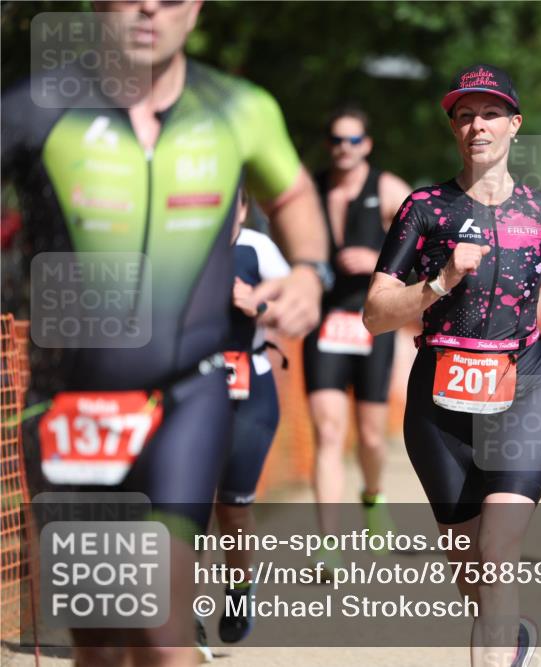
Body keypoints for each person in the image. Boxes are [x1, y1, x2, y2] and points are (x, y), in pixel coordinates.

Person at [1, 2, 330, 664]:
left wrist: (309, 272)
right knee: (97, 639)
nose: (151, 6)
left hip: (188, 395)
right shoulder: (33, 108)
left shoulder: (239, 107)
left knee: (159, 625)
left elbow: (293, 195)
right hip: (69, 403)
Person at [363, 64, 541, 667]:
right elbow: (375, 313)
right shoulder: (424, 208)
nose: (477, 126)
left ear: (515, 125)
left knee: (498, 550)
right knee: (474, 575)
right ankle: (510, 638)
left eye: (490, 114)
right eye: (464, 116)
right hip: (440, 402)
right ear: (454, 130)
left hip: (527, 387)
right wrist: (438, 281)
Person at [303, 104, 411, 569]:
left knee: (369, 435)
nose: (343, 149)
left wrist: (378, 260)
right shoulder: (310, 188)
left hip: (373, 323)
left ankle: (372, 496)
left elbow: (428, 247)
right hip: (325, 323)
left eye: (353, 140)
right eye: (336, 140)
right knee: (327, 432)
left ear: (366, 145)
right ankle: (328, 542)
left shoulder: (387, 188)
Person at [207, 187, 289, 647]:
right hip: (191, 387)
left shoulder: (258, 249)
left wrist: (257, 305)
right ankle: (185, 613)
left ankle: (239, 590)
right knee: (188, 503)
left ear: (241, 207)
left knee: (233, 507)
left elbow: (295, 313)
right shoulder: (180, 247)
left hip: (249, 387)